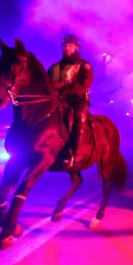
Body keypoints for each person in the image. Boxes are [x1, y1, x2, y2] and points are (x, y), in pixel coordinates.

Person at [47, 34, 94, 167]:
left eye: (70, 46)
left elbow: (85, 83)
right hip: (57, 99)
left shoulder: (83, 65)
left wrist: (64, 89)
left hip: (76, 98)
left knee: (80, 114)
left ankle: (76, 152)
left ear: (76, 48)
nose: (66, 48)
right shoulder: (54, 67)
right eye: (65, 46)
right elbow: (46, 83)